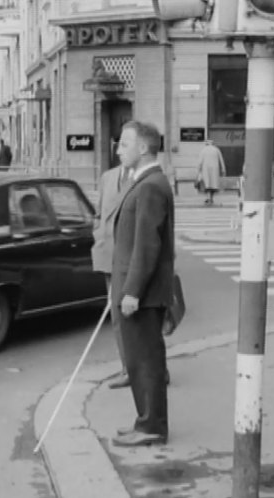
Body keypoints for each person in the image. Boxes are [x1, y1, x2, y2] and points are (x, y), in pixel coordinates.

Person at [109, 121, 174, 447]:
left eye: (124, 144)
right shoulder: (144, 182)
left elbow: (147, 245)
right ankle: (144, 421)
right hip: (137, 290)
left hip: (143, 294)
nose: (118, 149)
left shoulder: (149, 186)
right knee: (139, 359)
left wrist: (132, 291)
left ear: (144, 148)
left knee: (146, 360)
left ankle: (151, 427)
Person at [92, 162, 134, 389]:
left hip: (133, 259)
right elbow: (99, 213)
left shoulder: (145, 179)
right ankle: (127, 368)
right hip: (110, 256)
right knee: (117, 316)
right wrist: (98, 234)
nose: (120, 151)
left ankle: (154, 369)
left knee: (142, 319)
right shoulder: (108, 177)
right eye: (119, 145)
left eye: (126, 145)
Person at [197, 139, 226, 205]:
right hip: (215, 169)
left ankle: (209, 198)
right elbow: (221, 160)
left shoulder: (203, 150)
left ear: (206, 143)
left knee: (207, 185)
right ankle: (211, 198)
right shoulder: (216, 149)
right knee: (213, 185)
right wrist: (223, 169)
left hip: (206, 169)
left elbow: (200, 162)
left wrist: (198, 170)